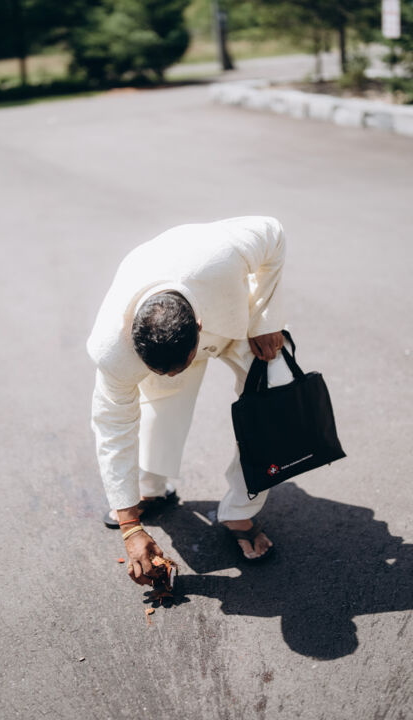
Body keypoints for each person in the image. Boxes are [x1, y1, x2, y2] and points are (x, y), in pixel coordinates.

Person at [87, 216, 294, 587]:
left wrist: (266, 319)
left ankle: (240, 511)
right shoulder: (112, 350)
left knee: (275, 398)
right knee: (159, 402)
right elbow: (113, 429)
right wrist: (130, 525)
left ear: (198, 326)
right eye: (159, 369)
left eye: (177, 367)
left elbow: (273, 232)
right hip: (174, 325)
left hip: (237, 317)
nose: (171, 375)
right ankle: (150, 490)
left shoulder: (223, 252)